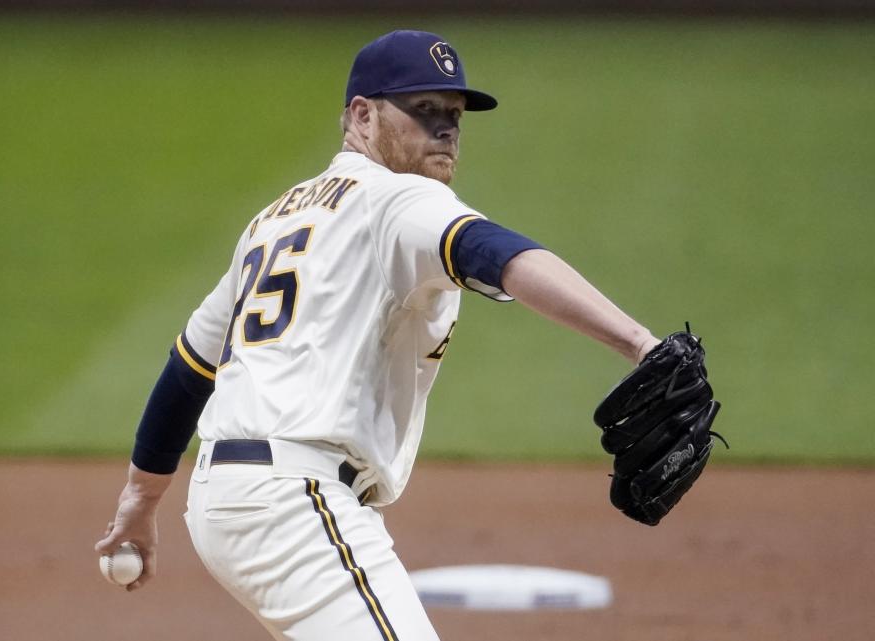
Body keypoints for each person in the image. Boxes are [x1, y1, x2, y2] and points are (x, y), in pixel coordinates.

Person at [96, 29, 659, 641]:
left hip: (228, 498)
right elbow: (498, 253)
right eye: (423, 111)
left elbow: (190, 370)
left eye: (454, 115)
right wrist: (638, 343)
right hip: (292, 503)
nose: (445, 129)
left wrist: (140, 501)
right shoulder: (398, 198)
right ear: (361, 116)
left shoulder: (275, 217)